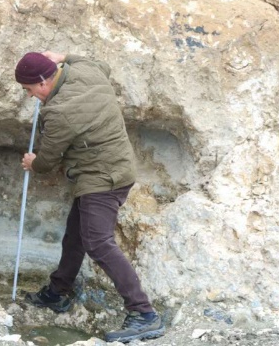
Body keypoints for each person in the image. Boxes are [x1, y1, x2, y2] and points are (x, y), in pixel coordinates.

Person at [14, 51, 165, 343]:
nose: (32, 97)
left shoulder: (58, 112)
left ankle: (144, 314)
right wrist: (63, 55)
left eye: (30, 90)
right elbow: (100, 62)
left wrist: (33, 162)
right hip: (112, 167)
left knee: (98, 242)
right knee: (76, 236)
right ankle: (58, 292)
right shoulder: (85, 70)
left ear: (43, 82)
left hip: (102, 178)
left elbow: (47, 163)